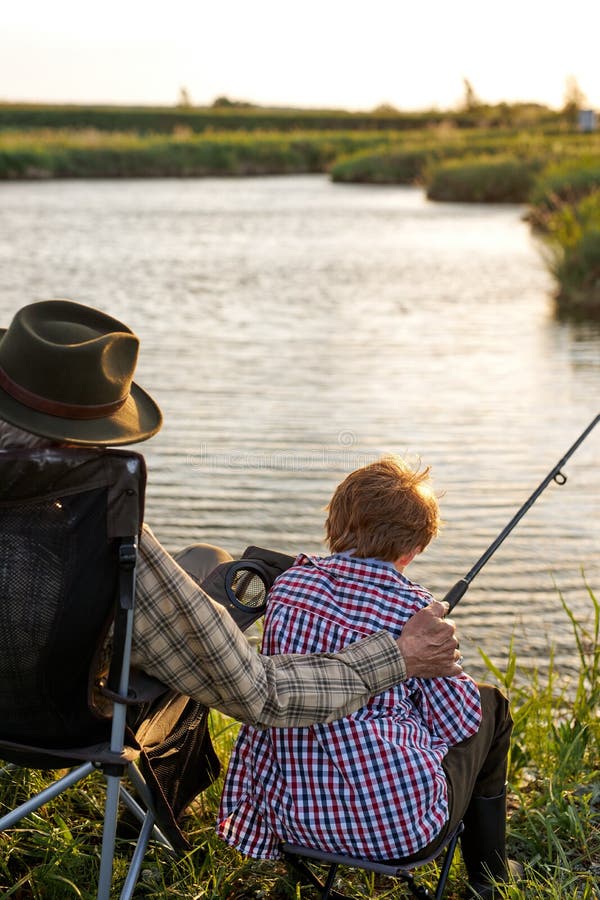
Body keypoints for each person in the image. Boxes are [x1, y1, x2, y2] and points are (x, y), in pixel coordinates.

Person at [0, 298, 461, 732]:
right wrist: (400, 656)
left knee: (206, 561)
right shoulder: (101, 537)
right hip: (66, 723)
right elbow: (263, 696)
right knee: (209, 623)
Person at [217, 458, 517, 899]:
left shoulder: (288, 587)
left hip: (289, 821)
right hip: (396, 833)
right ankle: (489, 879)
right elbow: (457, 724)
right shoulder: (415, 610)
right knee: (490, 704)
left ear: (333, 523)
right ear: (413, 549)